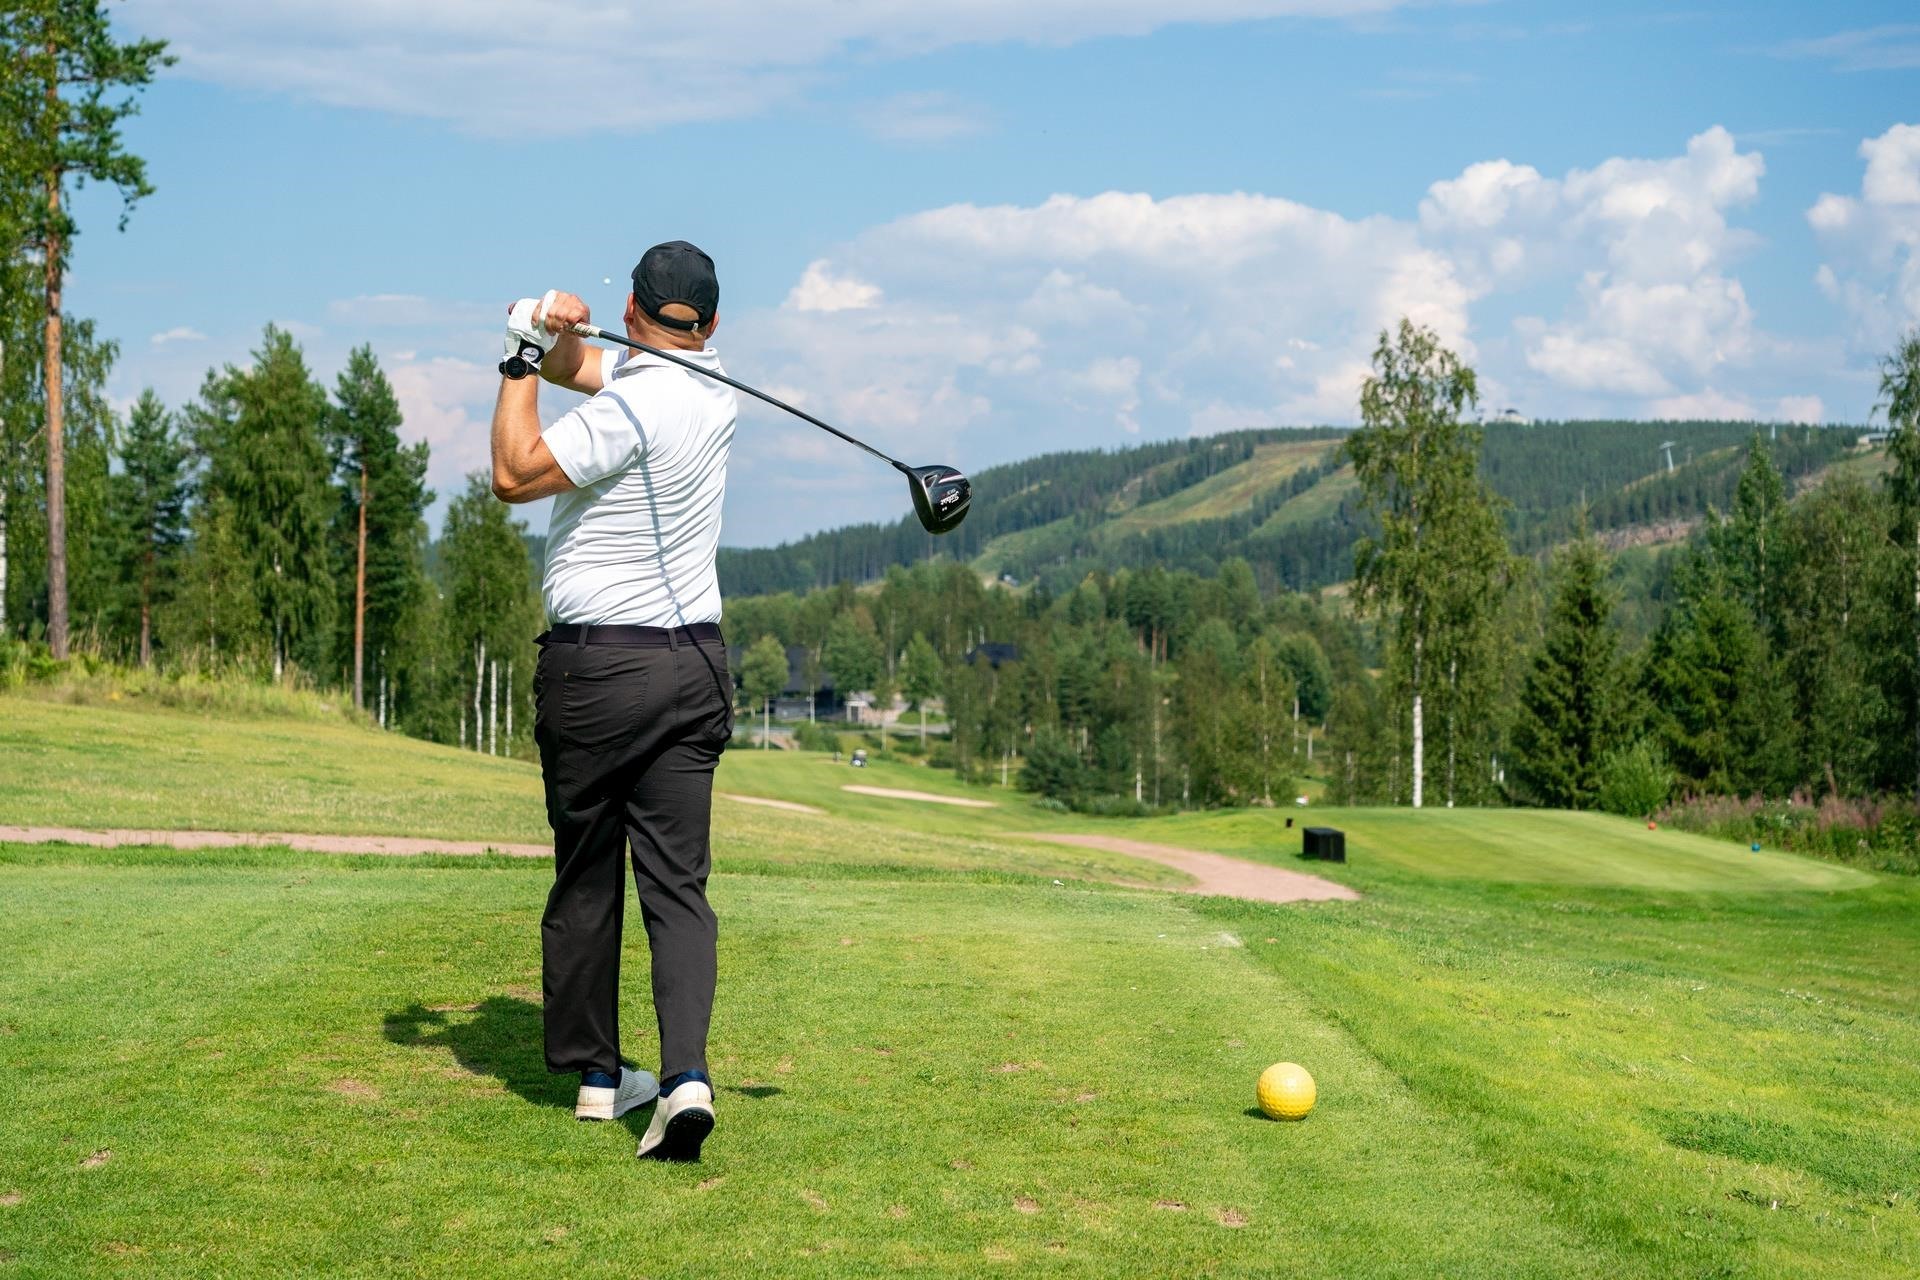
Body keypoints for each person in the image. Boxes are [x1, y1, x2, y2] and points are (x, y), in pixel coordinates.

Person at [489, 240, 736, 1162]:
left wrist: (518, 356)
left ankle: (598, 1076)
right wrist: (551, 336)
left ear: (630, 308)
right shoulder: (715, 386)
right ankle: (684, 1079)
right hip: (694, 667)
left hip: (599, 671)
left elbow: (514, 473)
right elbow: (589, 369)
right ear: (709, 323)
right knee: (677, 884)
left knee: (589, 875)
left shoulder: (631, 407)